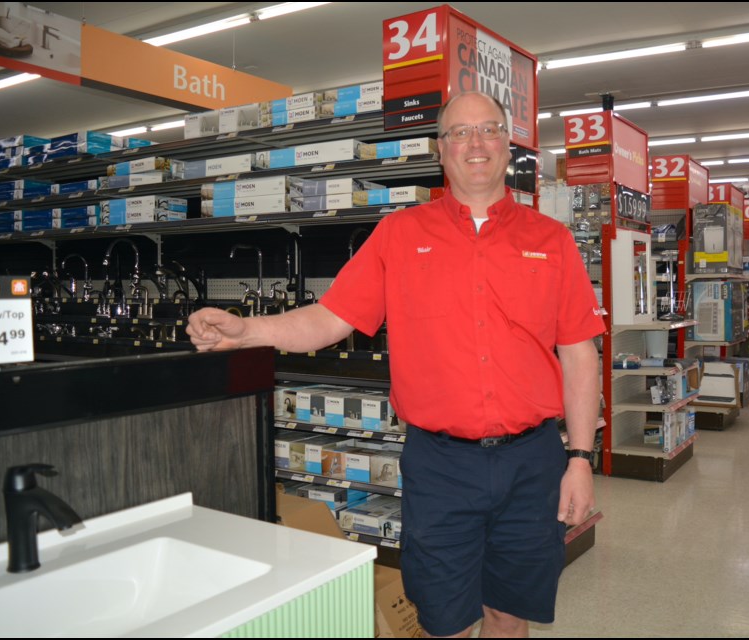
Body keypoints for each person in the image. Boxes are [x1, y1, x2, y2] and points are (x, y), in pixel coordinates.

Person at [186, 91, 605, 638]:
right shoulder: (400, 236)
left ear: (508, 144)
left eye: (488, 130)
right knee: (443, 620)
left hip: (533, 464)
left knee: (509, 613)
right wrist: (249, 331)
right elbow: (330, 318)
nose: (475, 144)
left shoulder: (552, 241)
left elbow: (579, 353)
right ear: (441, 149)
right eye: (459, 132)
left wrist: (579, 458)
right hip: (440, 466)